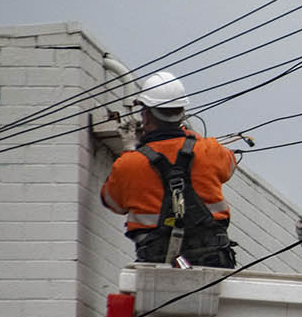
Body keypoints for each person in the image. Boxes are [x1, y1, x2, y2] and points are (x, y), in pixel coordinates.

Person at [100, 71, 237, 268]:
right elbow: (230, 165)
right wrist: (189, 138)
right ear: (182, 112)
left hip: (157, 262)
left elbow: (112, 202)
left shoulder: (129, 164)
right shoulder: (209, 149)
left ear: (145, 115)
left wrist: (130, 149)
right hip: (211, 259)